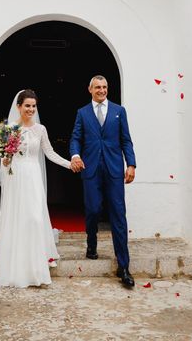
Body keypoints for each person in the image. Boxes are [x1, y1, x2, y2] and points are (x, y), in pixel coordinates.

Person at [0, 89, 72, 288]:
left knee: (35, 218)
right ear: (19, 107)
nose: (30, 109)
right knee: (18, 218)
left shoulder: (41, 129)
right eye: (27, 105)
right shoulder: (9, 129)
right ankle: (18, 265)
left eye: (33, 106)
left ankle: (36, 265)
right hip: (16, 177)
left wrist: (69, 164)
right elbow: (5, 162)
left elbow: (50, 152)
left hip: (33, 176)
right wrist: (5, 158)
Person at [69, 75, 137, 288]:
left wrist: (131, 165)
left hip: (114, 170)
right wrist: (75, 155)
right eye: (97, 87)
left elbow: (126, 140)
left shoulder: (119, 111)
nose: (102, 90)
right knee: (93, 209)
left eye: (105, 87)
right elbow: (75, 138)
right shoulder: (82, 113)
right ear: (90, 89)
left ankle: (124, 266)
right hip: (91, 170)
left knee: (118, 215)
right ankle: (92, 244)